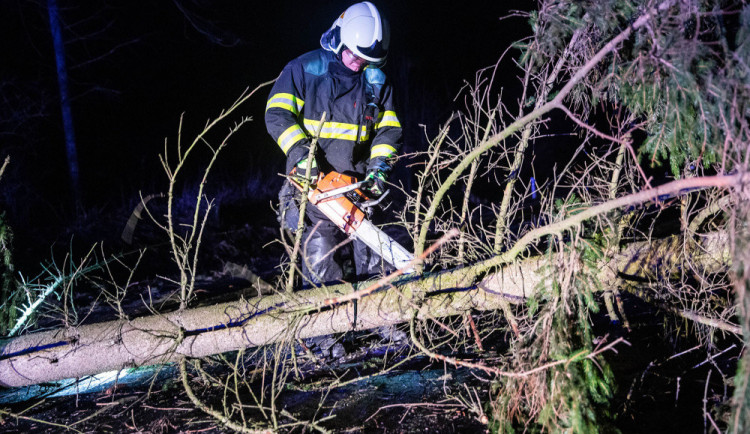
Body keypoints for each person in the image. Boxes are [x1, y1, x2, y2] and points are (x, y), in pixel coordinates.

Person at [265, 1, 403, 286]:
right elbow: (277, 113)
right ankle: (325, 331)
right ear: (339, 39)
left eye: (366, 59)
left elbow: (388, 133)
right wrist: (301, 153)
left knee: (376, 274)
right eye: (354, 54)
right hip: (315, 191)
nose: (358, 63)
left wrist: (379, 170)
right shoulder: (305, 71)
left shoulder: (377, 84)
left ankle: (376, 327)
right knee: (322, 278)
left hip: (360, 191)